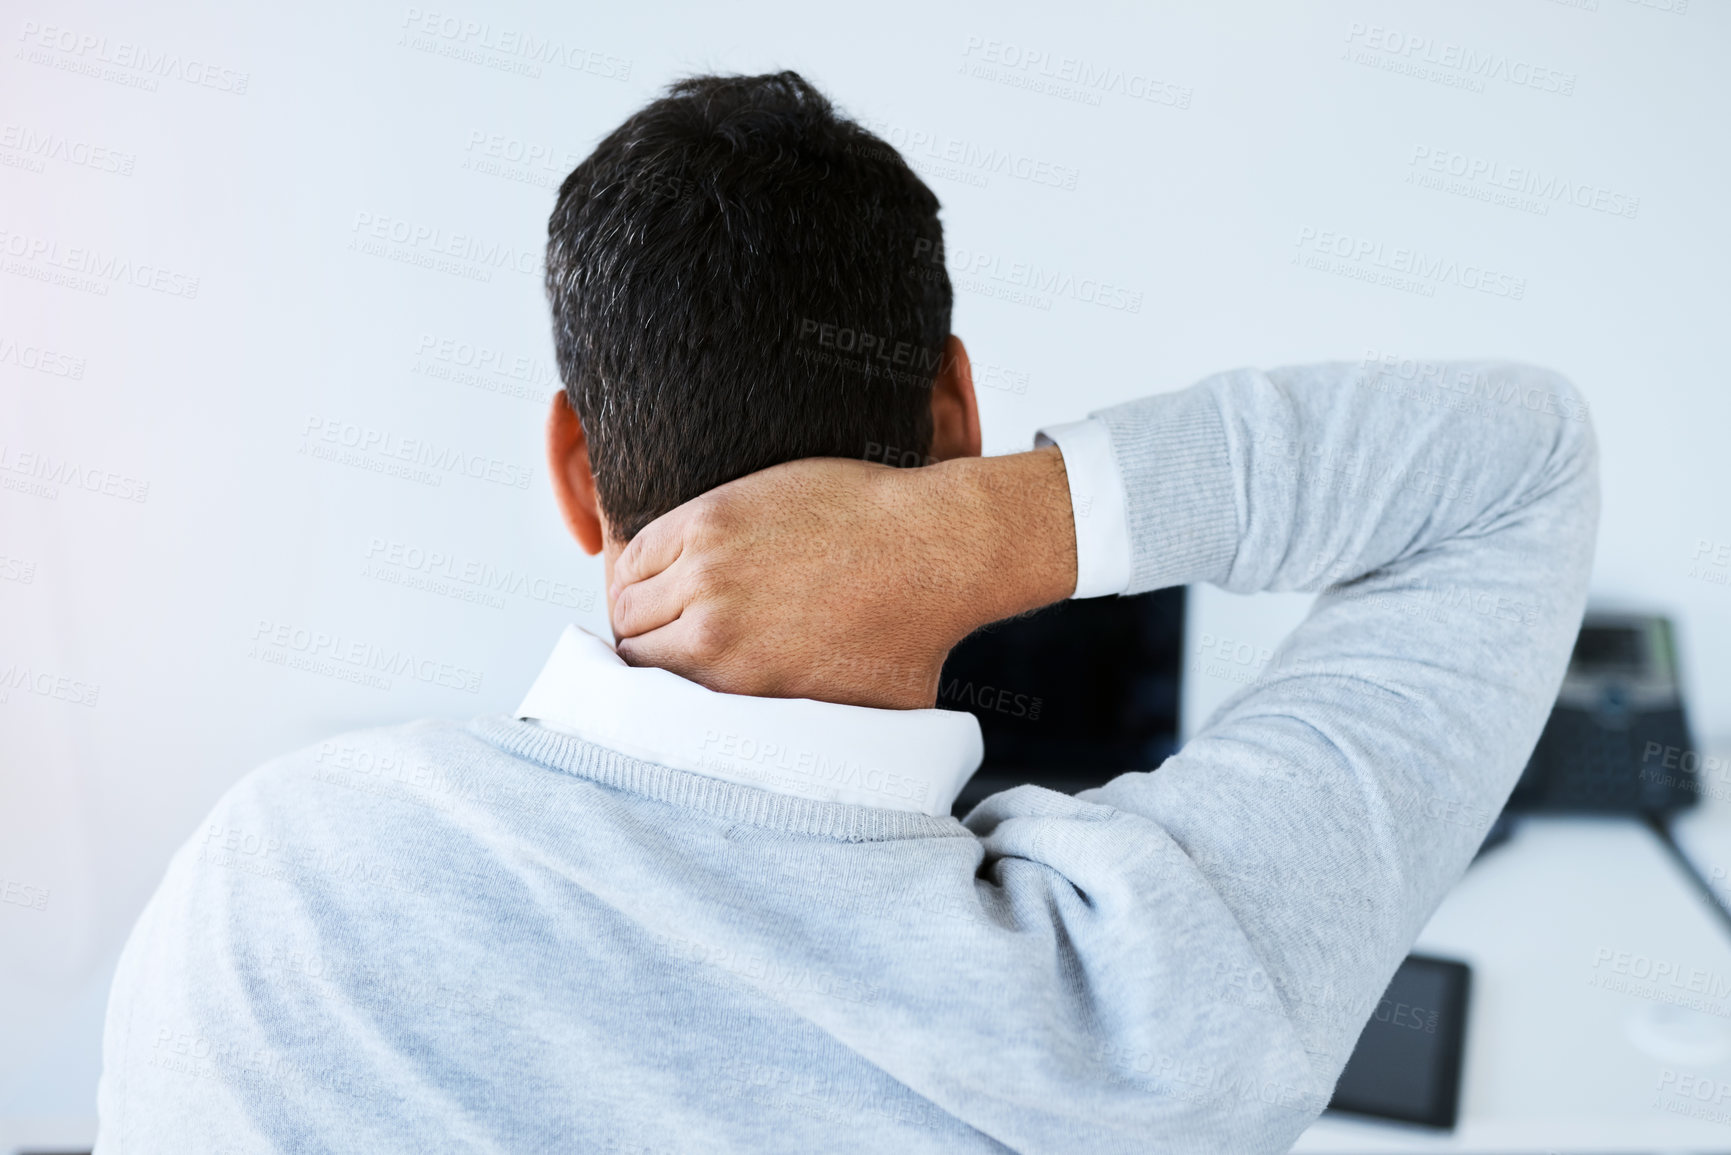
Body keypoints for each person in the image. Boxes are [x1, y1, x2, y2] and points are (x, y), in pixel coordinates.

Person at [95, 71, 1598, 1154]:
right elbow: (1519, 474)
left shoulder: (275, 886)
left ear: (574, 465)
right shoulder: (1151, 1003)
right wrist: (1011, 519)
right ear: (958, 414)